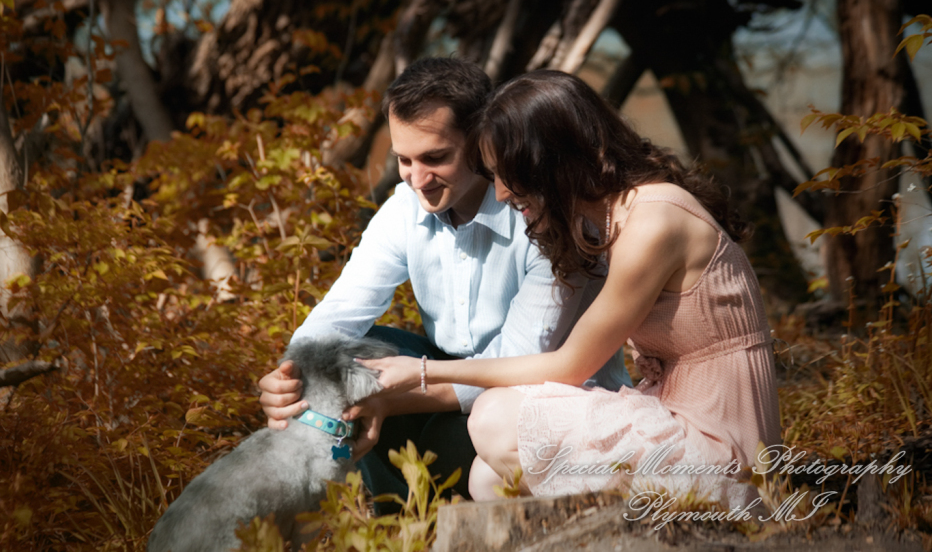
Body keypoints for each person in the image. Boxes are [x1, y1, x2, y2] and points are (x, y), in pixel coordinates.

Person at [363, 70, 781, 505]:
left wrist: (425, 371)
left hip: (725, 448)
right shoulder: (604, 221)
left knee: (494, 418)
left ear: (554, 161)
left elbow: (568, 365)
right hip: (671, 413)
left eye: (511, 174)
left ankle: (729, 510)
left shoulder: (654, 221)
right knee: (486, 479)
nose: (502, 194)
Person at [258, 59, 631, 507]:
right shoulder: (403, 210)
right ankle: (399, 522)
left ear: (481, 142)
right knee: (345, 357)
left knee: (385, 398)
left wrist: (388, 399)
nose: (417, 179)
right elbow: (336, 317)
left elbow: (520, 361)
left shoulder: (538, 213)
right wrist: (290, 377)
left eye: (435, 157)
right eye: (403, 159)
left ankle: (431, 516)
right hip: (445, 386)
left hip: (536, 400)